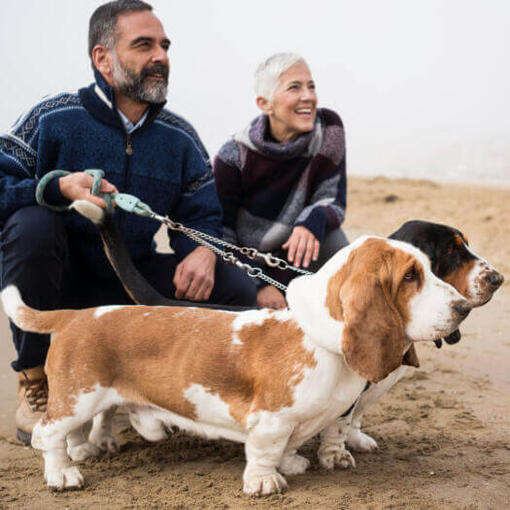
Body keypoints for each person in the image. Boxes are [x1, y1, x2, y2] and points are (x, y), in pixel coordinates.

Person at [0, 0, 256, 445]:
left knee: (233, 287)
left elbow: (204, 215)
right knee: (32, 227)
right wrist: (55, 189)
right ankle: (36, 380)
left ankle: (206, 391)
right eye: (144, 45)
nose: (161, 56)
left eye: (164, 45)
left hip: (129, 280)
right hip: (57, 283)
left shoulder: (180, 136)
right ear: (103, 58)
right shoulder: (51, 117)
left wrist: (202, 250)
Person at [213, 53, 349, 309]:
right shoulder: (232, 156)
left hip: (300, 252)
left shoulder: (329, 127)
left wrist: (310, 223)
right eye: (294, 88)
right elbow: (222, 236)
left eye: (311, 86)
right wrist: (259, 284)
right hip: (250, 263)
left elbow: (332, 198)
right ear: (265, 104)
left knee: (336, 243)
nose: (308, 96)